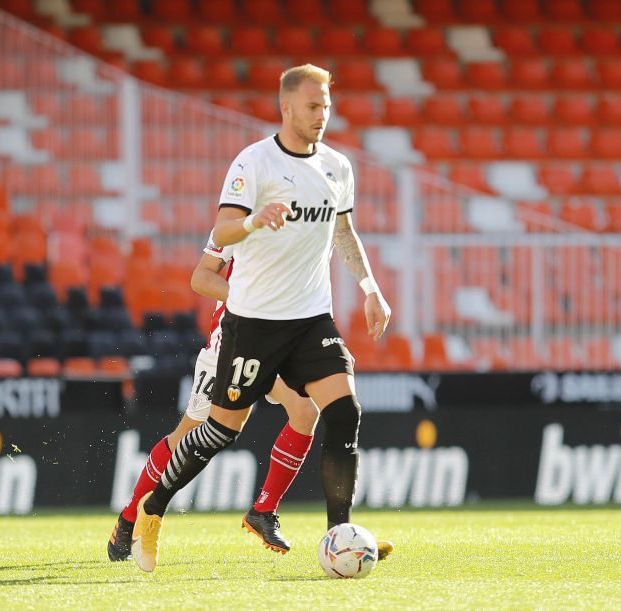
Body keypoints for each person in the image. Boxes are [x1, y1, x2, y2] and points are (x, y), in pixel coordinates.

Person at [130, 63, 392, 573]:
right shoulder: (255, 163)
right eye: (314, 106)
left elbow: (344, 233)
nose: (323, 115)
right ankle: (153, 507)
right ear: (287, 107)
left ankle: (340, 532)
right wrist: (255, 219)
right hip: (253, 323)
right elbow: (222, 233)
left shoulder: (337, 167)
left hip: (311, 318)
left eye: (328, 106)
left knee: (344, 411)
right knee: (218, 431)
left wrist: (371, 288)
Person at [108, 238, 321, 559]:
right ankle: (129, 518)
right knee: (185, 436)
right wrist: (248, 301)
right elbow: (201, 278)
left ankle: (264, 510)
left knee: (305, 411)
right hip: (234, 340)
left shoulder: (310, 222)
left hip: (280, 338)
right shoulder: (245, 219)